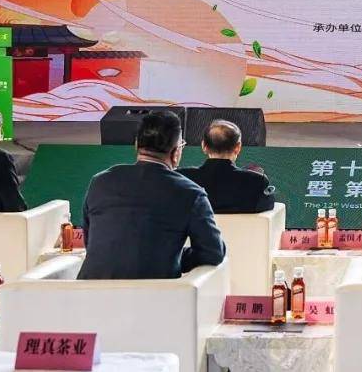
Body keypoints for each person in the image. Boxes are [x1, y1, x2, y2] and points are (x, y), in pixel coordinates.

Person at [78, 110, 225, 280]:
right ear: (176, 152)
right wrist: (175, 257)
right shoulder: (191, 193)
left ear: (136, 145)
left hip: (88, 291)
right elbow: (213, 252)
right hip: (153, 294)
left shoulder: (100, 181)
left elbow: (90, 242)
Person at [179, 120, 275, 213]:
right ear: (238, 147)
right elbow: (267, 203)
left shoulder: (181, 178)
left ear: (204, 146)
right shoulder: (256, 182)